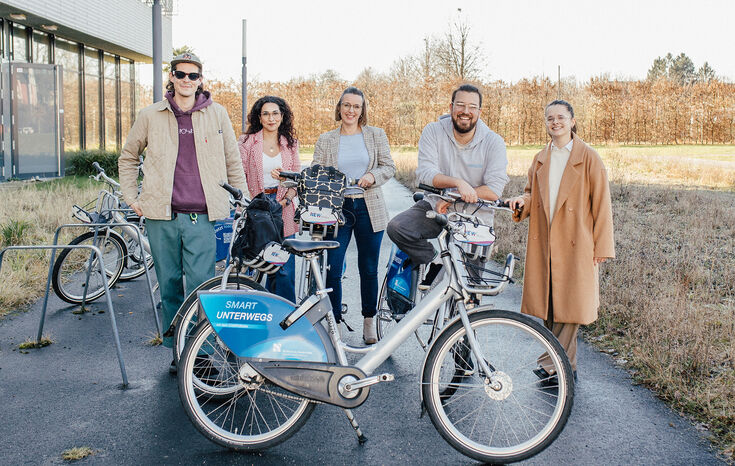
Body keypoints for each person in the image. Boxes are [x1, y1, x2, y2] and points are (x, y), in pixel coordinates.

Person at [118, 52, 247, 373]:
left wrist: (242, 199)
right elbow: (128, 156)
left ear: (200, 80)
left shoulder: (217, 114)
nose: (187, 80)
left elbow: (232, 159)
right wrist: (131, 197)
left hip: (202, 215)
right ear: (171, 77)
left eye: (193, 75)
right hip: (161, 215)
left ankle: (200, 353)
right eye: (181, 74)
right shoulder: (150, 114)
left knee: (202, 287)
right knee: (170, 284)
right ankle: (177, 350)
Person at [508, 99, 615, 382]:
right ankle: (568, 367)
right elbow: (531, 193)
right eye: (550, 118)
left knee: (570, 307)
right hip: (545, 241)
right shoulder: (540, 158)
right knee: (550, 305)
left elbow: (602, 204)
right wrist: (522, 202)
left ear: (572, 121)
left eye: (561, 117)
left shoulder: (588, 157)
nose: (555, 122)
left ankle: (552, 364)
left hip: (577, 242)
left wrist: (602, 246)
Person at [387, 83, 509, 289]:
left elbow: (494, 189)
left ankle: (467, 305)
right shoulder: (433, 131)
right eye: (460, 105)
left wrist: (454, 198)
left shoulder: (493, 142)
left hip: (475, 218)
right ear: (451, 107)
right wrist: (458, 183)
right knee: (398, 228)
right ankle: (435, 261)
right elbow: (425, 174)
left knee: (470, 290)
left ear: (479, 111)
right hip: (435, 207)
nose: (465, 111)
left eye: (472, 107)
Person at [311, 87, 395, 344]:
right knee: (332, 268)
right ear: (339, 107)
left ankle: (369, 320)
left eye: (356, 106)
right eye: (346, 105)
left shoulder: (376, 135)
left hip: (369, 207)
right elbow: (316, 171)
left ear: (362, 110)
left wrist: (372, 176)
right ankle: (334, 322)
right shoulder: (326, 139)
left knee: (368, 268)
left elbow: (388, 167)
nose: (351, 110)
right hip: (337, 210)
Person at [238, 96, 299, 302]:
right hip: (256, 209)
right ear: (259, 117)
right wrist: (250, 205)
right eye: (266, 114)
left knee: (284, 270)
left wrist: (286, 195)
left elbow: (297, 178)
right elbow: (239, 175)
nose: (271, 118)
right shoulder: (247, 142)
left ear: (282, 116)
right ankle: (255, 310)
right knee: (253, 264)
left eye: (275, 113)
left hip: (283, 209)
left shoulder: (290, 144)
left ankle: (286, 314)